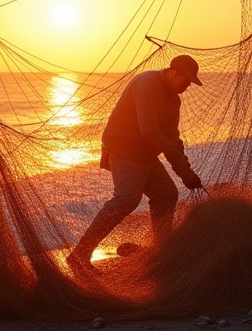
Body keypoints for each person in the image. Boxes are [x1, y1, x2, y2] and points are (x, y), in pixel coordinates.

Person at [67, 54, 204, 267]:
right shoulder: (147, 83)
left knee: (167, 194)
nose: (187, 86)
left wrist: (186, 171)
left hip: (146, 156)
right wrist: (184, 174)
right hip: (123, 150)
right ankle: (79, 256)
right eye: (185, 81)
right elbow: (149, 130)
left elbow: (172, 139)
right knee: (127, 199)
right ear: (173, 72)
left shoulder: (174, 100)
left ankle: (161, 251)